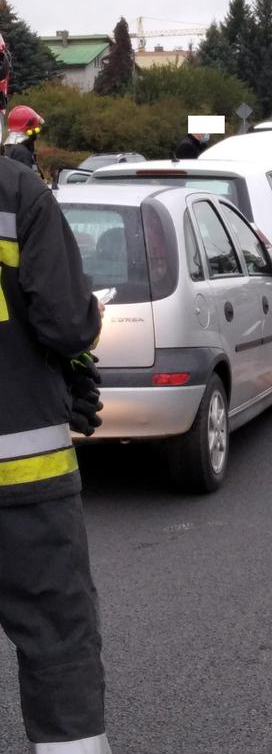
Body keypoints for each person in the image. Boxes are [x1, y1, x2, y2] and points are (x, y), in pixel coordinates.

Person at [0, 152, 111, 753]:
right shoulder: (17, 192)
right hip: (22, 482)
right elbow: (67, 325)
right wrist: (73, 363)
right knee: (56, 639)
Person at [3, 105, 45, 174]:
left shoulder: (9, 148)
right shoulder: (21, 153)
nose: (36, 133)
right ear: (28, 130)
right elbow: (26, 181)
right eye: (36, 129)